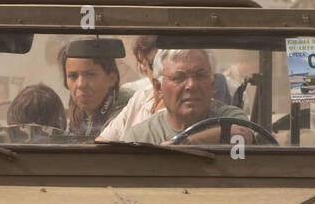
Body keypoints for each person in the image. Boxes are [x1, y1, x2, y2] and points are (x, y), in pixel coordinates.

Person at [122, 48, 254, 144]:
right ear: (158, 87)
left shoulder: (229, 117)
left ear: (212, 83)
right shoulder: (140, 137)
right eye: (179, 77)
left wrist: (183, 143)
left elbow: (243, 135)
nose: (191, 85)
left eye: (200, 75)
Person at [58, 41, 132, 138]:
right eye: (73, 76)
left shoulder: (130, 113)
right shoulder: (75, 116)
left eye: (90, 75)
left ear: (112, 79)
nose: (80, 84)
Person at [98, 35, 161, 141]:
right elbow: (104, 141)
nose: (164, 74)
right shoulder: (140, 98)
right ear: (142, 60)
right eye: (156, 65)